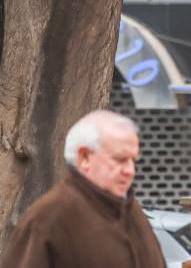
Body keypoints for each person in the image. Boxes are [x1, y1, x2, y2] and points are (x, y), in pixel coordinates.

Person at [0, 110, 166, 268]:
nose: (130, 170)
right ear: (84, 157)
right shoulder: (49, 217)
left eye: (133, 160)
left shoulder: (133, 212)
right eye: (120, 159)